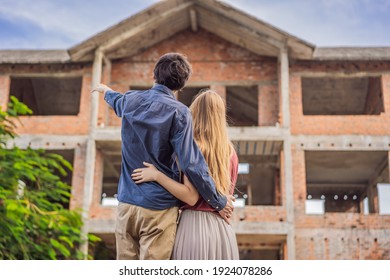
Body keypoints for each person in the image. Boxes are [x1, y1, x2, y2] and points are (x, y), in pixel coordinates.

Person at [91, 53, 235, 260]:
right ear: (181, 85)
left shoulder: (130, 100)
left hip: (126, 205)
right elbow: (192, 164)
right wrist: (219, 201)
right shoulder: (180, 113)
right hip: (158, 210)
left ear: (154, 75)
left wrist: (105, 91)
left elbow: (116, 100)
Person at [132, 89, 240, 260]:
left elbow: (191, 197)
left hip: (194, 229)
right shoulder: (231, 152)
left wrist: (157, 175)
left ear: (195, 113)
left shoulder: (194, 148)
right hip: (223, 232)